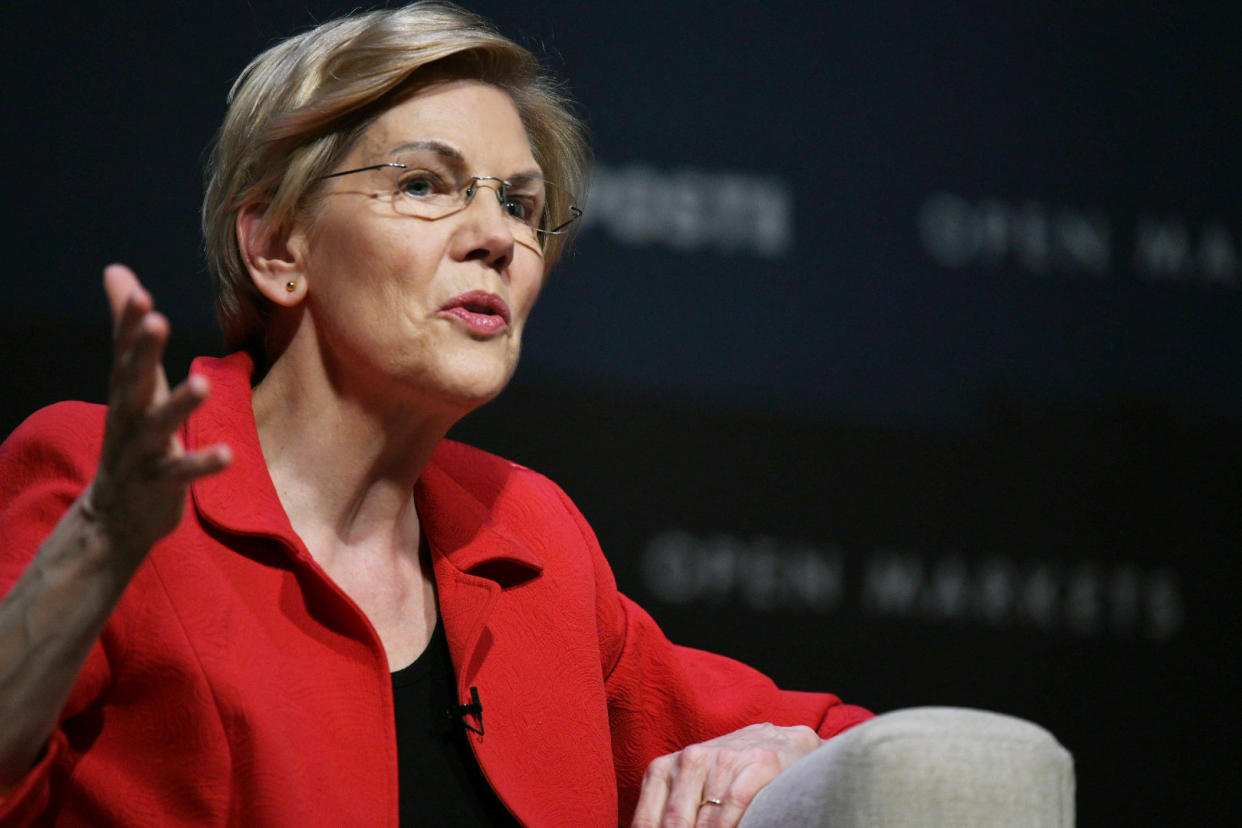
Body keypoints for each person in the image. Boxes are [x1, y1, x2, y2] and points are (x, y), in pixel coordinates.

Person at [0, 3, 870, 826]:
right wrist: (96, 550)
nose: (495, 236)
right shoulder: (99, 483)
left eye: (521, 205)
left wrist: (788, 749)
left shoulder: (531, 542)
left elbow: (874, 751)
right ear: (275, 246)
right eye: (424, 184)